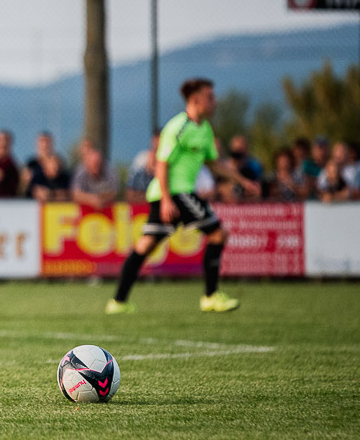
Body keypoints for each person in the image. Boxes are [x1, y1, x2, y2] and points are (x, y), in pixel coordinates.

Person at [106, 78, 260, 315]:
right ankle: (210, 297)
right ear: (195, 100)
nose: (215, 101)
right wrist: (167, 199)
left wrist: (242, 181)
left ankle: (118, 302)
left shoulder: (205, 129)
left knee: (146, 245)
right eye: (210, 97)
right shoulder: (178, 127)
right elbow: (162, 163)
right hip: (174, 193)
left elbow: (214, 163)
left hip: (172, 194)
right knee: (218, 233)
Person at [23, 131, 70, 201]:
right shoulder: (31, 164)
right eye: (42, 141)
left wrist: (51, 194)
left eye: (47, 141)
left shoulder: (59, 162)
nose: (45, 145)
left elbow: (68, 190)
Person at [71, 144, 119, 209]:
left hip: (107, 209)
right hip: (85, 210)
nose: (96, 167)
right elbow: (75, 194)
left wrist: (100, 199)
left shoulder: (110, 171)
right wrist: (91, 199)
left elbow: (114, 192)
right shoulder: (80, 172)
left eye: (98, 164)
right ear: (87, 164)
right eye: (94, 164)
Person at [126, 134, 159, 204]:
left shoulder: (171, 176)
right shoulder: (139, 175)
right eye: (154, 150)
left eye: (159, 150)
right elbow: (130, 196)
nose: (156, 155)